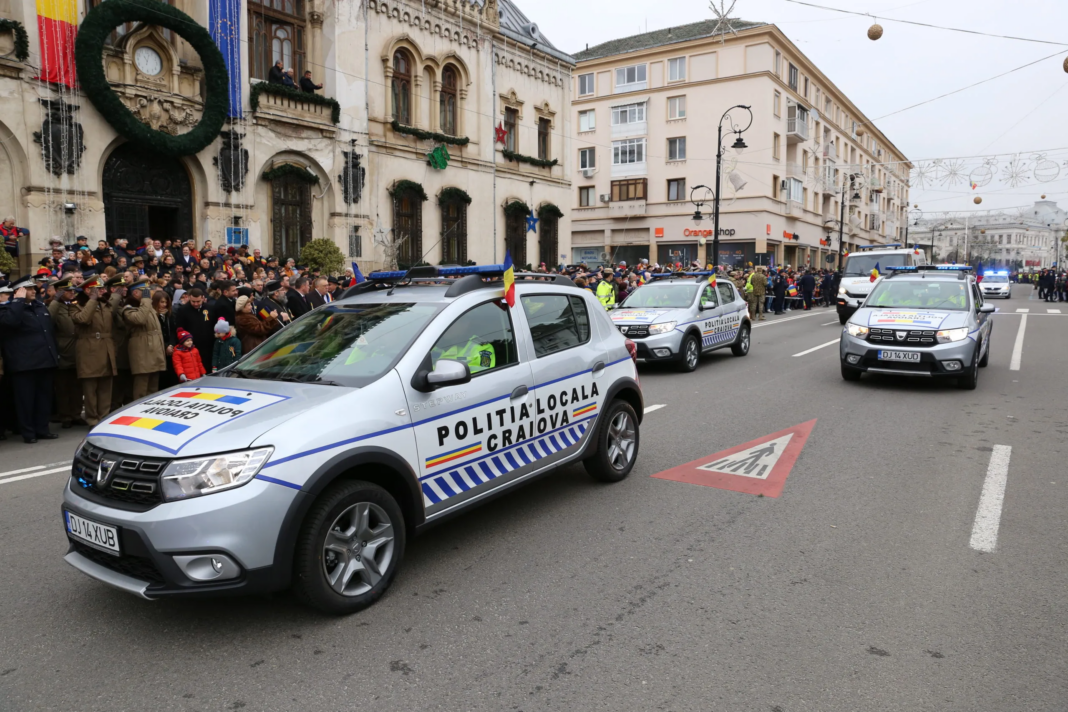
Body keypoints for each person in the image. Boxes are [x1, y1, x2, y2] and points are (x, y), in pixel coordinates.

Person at [0, 278, 59, 442]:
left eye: (34, 288)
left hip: (45, 360)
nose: (34, 291)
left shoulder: (39, 307)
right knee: (25, 401)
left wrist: (54, 355)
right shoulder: (9, 309)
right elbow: (10, 322)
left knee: (44, 398)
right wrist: (17, 301)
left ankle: (42, 429)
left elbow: (48, 333)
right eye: (29, 289)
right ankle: (28, 432)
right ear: (19, 291)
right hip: (24, 364)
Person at [122, 278, 166, 400]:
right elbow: (139, 319)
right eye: (145, 291)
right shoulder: (129, 308)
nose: (149, 294)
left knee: (153, 389)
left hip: (154, 352)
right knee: (141, 389)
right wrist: (146, 300)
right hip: (142, 354)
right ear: (135, 293)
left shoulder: (147, 306)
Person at [48, 276, 82, 428]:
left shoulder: (75, 304)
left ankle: (76, 414)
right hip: (62, 350)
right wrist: (56, 300)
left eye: (72, 290)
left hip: (77, 350)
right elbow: (48, 320)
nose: (72, 293)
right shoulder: (52, 305)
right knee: (63, 387)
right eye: (67, 291)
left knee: (76, 386)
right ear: (60, 292)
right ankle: (65, 416)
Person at [175, 287, 215, 373]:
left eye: (198, 301)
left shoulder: (210, 308)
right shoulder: (183, 310)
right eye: (193, 301)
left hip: (208, 346)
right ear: (189, 298)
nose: (196, 304)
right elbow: (180, 329)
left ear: (203, 298)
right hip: (191, 347)